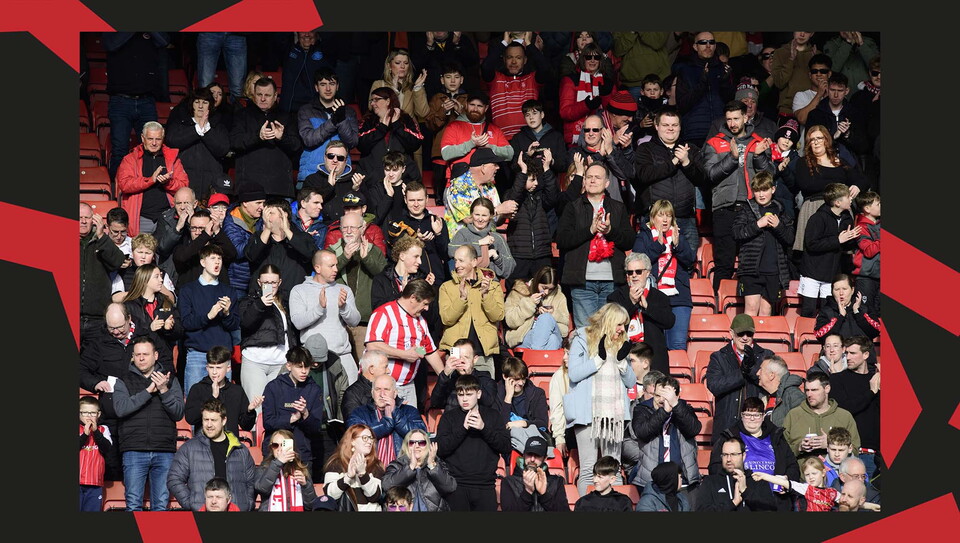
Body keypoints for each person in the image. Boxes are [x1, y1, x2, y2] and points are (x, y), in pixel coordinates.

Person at [701, 100, 775, 292]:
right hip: (724, 209)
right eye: (728, 119)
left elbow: (770, 176)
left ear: (745, 117)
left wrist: (759, 157)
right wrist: (732, 159)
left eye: (736, 118)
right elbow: (710, 174)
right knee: (724, 264)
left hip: (751, 209)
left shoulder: (758, 141)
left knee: (751, 265)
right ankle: (718, 308)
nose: (732, 123)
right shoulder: (714, 143)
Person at [565, 303, 637, 495]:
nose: (622, 329)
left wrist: (622, 362)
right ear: (609, 322)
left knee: (614, 469)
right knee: (589, 470)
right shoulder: (582, 338)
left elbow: (631, 382)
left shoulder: (622, 344)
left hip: (614, 417)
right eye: (619, 324)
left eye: (624, 325)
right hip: (588, 414)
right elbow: (574, 374)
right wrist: (598, 359)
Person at [557, 163, 634, 328]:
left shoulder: (618, 208)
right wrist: (590, 230)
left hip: (612, 282)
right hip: (582, 283)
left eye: (597, 177)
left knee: (609, 334)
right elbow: (562, 240)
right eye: (589, 177)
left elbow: (629, 240)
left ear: (606, 183)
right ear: (583, 181)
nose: (592, 180)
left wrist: (610, 231)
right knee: (586, 334)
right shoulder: (572, 207)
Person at [112, 336, 184, 511]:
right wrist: (148, 391)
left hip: (164, 451)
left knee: (160, 506)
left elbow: (178, 412)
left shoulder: (169, 380)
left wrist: (164, 391)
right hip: (133, 450)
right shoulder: (122, 381)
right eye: (137, 355)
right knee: (133, 504)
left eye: (145, 354)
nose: (141, 358)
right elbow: (121, 409)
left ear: (156, 355)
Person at [633, 108, 707, 253]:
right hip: (654, 219)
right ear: (657, 126)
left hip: (685, 219)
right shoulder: (645, 149)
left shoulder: (690, 149)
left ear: (680, 127)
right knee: (651, 266)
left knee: (687, 266)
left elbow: (702, 179)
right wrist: (673, 163)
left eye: (674, 125)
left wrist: (686, 162)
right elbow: (644, 175)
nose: (670, 129)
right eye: (666, 125)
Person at [435, 374, 511, 511]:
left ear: (479, 394)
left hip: (485, 486)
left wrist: (484, 428)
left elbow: (505, 446)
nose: (464, 399)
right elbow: (440, 449)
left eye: (469, 394)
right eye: (460, 394)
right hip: (456, 486)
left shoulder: (493, 416)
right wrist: (463, 429)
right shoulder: (448, 417)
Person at [708, 397, 799, 511]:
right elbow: (715, 467)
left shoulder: (776, 437)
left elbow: (793, 466)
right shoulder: (729, 437)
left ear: (762, 417)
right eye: (747, 414)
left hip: (774, 501)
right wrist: (735, 480)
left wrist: (785, 480)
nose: (751, 419)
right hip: (742, 501)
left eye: (756, 415)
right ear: (741, 416)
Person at [792, 125, 867, 261]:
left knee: (840, 255)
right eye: (812, 139)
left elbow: (863, 180)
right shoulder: (803, 162)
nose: (815, 142)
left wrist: (856, 186)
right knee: (814, 254)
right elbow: (807, 185)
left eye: (819, 138)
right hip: (814, 208)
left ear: (827, 140)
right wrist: (840, 189)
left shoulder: (839, 162)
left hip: (841, 210)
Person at [166, 398, 257, 511]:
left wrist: (247, 503)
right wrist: (191, 503)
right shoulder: (189, 448)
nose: (209, 424)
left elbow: (252, 481)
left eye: (213, 420)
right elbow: (174, 479)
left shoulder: (240, 450)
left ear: (224, 421)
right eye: (206, 420)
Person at [365, 279, 445, 407]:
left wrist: (444, 377)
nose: (427, 308)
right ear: (413, 298)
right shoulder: (384, 313)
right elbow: (372, 346)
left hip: (408, 386)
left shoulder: (420, 321)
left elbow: (427, 350)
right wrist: (404, 354)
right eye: (425, 303)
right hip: (383, 387)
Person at [102, 32, 169, 178]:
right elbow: (110, 44)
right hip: (120, 100)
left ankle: (149, 190)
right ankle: (119, 192)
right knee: (120, 150)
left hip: (147, 100)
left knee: (152, 149)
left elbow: (164, 41)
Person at [289, 250, 361, 383]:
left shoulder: (343, 289)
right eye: (331, 266)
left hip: (342, 356)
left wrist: (343, 307)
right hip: (314, 360)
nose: (336, 269)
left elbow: (355, 321)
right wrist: (319, 308)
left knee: (349, 401)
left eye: (336, 265)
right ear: (317, 268)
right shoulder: (299, 290)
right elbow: (298, 322)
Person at [629, 201, 691, 354]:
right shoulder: (644, 236)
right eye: (661, 215)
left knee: (677, 346)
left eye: (669, 216)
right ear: (652, 217)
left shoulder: (678, 235)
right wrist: (659, 245)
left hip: (678, 298)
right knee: (655, 347)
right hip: (653, 297)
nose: (665, 220)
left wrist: (677, 246)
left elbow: (689, 260)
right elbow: (637, 262)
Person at [178, 244, 240, 396]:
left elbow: (234, 325)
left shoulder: (229, 291)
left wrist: (226, 313)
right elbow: (186, 322)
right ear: (203, 262)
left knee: (222, 405)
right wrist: (208, 316)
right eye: (212, 258)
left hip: (222, 357)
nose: (217, 262)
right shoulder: (188, 290)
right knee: (195, 404)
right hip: (197, 355)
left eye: (219, 259)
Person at [732, 171, 796, 316]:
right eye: (757, 190)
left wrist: (779, 226)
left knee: (766, 311)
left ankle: (761, 339)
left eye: (765, 190)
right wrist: (757, 225)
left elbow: (790, 239)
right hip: (751, 270)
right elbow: (736, 233)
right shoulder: (746, 210)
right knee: (751, 309)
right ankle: (747, 338)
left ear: (773, 189)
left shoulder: (781, 211)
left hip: (773, 270)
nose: (761, 194)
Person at [235, 263, 298, 407]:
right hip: (255, 362)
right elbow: (246, 323)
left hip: (280, 363)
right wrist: (260, 304)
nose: (270, 286)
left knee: (277, 408)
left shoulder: (285, 303)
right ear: (259, 282)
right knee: (256, 408)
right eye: (266, 282)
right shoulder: (249, 301)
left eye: (274, 282)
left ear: (280, 282)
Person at [230, 76, 303, 199]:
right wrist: (258, 136)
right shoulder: (241, 116)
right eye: (259, 94)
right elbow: (234, 142)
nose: (263, 98)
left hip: (280, 189)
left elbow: (297, 147)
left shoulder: (287, 117)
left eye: (267, 95)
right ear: (253, 95)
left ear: (275, 96)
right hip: (249, 189)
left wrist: (282, 137)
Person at [438, 244, 505, 375]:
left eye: (461, 260)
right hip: (456, 354)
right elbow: (447, 319)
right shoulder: (447, 287)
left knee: (485, 393)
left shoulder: (493, 286)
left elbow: (498, 316)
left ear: (474, 262)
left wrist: (486, 296)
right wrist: (462, 299)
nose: (457, 265)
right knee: (455, 393)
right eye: (455, 260)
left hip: (482, 353)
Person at [705, 314, 774, 439]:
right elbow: (714, 386)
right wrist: (742, 372)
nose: (745, 338)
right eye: (740, 334)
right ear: (731, 333)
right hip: (727, 427)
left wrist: (751, 368)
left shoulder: (766, 356)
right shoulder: (718, 357)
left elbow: (772, 385)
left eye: (749, 333)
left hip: (756, 427)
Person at [116, 121, 190, 236]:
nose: (154, 143)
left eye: (158, 139)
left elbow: (184, 186)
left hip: (167, 217)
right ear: (142, 138)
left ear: (163, 138)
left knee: (168, 253)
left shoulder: (172, 158)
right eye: (150, 139)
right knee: (141, 253)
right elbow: (124, 184)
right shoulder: (130, 159)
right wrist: (150, 180)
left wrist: (168, 183)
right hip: (141, 219)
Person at [630, 375, 702, 493]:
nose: (661, 400)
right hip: (651, 482)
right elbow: (642, 432)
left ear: (677, 396)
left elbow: (693, 429)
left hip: (682, 481)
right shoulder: (642, 409)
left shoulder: (685, 409)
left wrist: (676, 406)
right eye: (657, 396)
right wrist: (664, 412)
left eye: (666, 397)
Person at [799, 184, 862, 318]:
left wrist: (852, 239)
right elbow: (812, 244)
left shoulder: (846, 218)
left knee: (828, 311)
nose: (851, 199)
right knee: (808, 310)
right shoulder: (818, 218)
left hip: (831, 274)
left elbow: (844, 246)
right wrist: (838, 240)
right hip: (812, 273)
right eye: (848, 197)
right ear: (838, 202)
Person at [261, 346, 326, 467]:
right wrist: (292, 418)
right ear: (289, 366)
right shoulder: (273, 387)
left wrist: (305, 414)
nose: (304, 371)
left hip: (302, 455)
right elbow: (268, 422)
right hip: (275, 454)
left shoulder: (314, 389)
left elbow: (316, 428)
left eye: (306, 367)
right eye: (299, 366)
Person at [328, 207, 389, 337]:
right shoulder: (332, 251)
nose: (349, 232)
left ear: (362, 228)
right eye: (345, 228)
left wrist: (367, 258)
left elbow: (383, 276)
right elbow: (324, 276)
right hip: (337, 320)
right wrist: (344, 257)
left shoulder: (373, 250)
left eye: (353, 228)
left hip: (365, 321)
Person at [502, 145, 560, 280]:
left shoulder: (540, 197)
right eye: (532, 179)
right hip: (519, 255)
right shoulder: (511, 195)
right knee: (517, 292)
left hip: (542, 254)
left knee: (545, 291)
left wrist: (546, 169)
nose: (536, 183)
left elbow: (553, 197)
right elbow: (514, 197)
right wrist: (523, 172)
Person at [244, 198, 316, 305]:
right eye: (265, 214)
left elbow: (311, 254)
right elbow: (251, 255)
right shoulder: (258, 237)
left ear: (284, 215)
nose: (266, 217)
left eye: (271, 213)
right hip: (263, 300)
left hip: (294, 301)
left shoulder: (302, 237)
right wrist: (267, 229)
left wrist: (287, 230)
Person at [164, 87, 231, 201]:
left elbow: (222, 149)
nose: (200, 106)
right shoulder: (181, 123)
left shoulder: (218, 126)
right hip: (185, 181)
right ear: (192, 104)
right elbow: (171, 141)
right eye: (197, 102)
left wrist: (205, 131)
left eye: (204, 102)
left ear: (210, 105)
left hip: (211, 182)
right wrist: (196, 130)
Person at [345, 374, 427, 466]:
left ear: (395, 393)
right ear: (372, 393)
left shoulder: (409, 411)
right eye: (377, 389)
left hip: (402, 469)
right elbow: (354, 435)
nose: (382, 394)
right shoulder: (360, 413)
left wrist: (396, 414)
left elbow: (421, 435)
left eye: (386, 389)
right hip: (369, 468)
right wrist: (387, 423)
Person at [480, 34, 553, 138]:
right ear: (504, 60)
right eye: (510, 57)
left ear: (525, 60)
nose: (513, 62)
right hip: (502, 141)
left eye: (518, 58)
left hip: (529, 140)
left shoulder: (531, 79)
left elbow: (545, 68)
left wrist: (529, 44)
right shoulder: (496, 79)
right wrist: (504, 42)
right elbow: (486, 67)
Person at [829, 336, 881, 481]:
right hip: (851, 453)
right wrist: (871, 392)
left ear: (865, 355)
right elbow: (845, 408)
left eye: (853, 353)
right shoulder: (837, 379)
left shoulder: (876, 379)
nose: (848, 357)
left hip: (876, 454)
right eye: (846, 353)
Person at [370, 235, 441, 340]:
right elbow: (378, 310)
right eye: (416, 257)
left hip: (416, 341)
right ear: (402, 256)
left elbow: (432, 319)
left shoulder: (423, 279)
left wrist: (427, 290)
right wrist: (403, 295)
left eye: (420, 257)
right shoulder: (382, 279)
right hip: (391, 339)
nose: (420, 262)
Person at [297, 67, 359, 183]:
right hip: (311, 173)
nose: (328, 88)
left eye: (332, 84)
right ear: (316, 87)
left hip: (341, 173)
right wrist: (334, 121)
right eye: (323, 84)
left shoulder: (349, 112)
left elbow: (352, 142)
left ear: (337, 86)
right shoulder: (306, 110)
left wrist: (341, 119)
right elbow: (309, 140)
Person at [782, 372, 861, 462]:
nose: (809, 394)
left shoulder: (844, 416)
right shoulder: (793, 415)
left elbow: (855, 451)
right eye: (807, 390)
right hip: (802, 474)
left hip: (836, 474)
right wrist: (799, 448)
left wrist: (830, 444)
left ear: (827, 389)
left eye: (814, 390)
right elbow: (781, 450)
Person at [674, 31, 734, 147]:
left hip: (721, 131)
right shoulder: (685, 70)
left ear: (715, 46)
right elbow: (682, 105)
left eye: (711, 42)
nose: (708, 45)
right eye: (703, 42)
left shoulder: (723, 69)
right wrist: (702, 84)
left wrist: (725, 83)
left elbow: (731, 102)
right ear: (695, 47)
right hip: (695, 132)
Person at [383, 180, 449, 284]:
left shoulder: (437, 221)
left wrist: (438, 234)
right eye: (412, 200)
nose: (416, 204)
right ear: (405, 200)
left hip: (436, 281)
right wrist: (415, 241)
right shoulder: (397, 224)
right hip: (408, 283)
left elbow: (445, 255)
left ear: (427, 199)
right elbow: (393, 255)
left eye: (420, 200)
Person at [184, 346, 261, 435]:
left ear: (228, 368)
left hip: (230, 445)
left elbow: (246, 426)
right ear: (207, 368)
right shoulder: (198, 389)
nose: (214, 372)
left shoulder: (236, 391)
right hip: (205, 446)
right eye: (211, 367)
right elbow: (191, 418)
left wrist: (249, 411)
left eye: (219, 367)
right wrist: (211, 398)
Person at [439, 90, 513, 181]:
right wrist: (472, 143)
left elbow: (510, 154)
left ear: (486, 108)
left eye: (479, 106)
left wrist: (488, 146)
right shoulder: (454, 126)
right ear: (466, 104)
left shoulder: (495, 129)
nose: (475, 109)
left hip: (487, 185)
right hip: (459, 183)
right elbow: (446, 154)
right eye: (472, 105)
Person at [443, 147, 516, 240]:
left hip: (489, 244)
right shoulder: (458, 186)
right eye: (494, 164)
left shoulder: (490, 187)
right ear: (483, 167)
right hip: (466, 247)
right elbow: (469, 219)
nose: (498, 167)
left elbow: (495, 221)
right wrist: (498, 210)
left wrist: (503, 215)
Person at [81, 202, 128, 341]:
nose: (83, 221)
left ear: (94, 220)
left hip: (97, 319)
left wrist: (102, 236)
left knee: (96, 361)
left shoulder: (102, 242)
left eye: (87, 218)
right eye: (80, 217)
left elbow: (117, 261)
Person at [695, 435, 778, 511]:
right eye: (725, 455)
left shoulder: (758, 480)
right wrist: (733, 503)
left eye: (733, 454)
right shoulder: (711, 482)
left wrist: (745, 491)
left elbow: (769, 510)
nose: (728, 459)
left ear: (744, 455)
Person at [381, 428, 456, 511]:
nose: (416, 446)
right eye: (412, 443)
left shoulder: (437, 463)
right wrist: (410, 467)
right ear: (406, 445)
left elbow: (450, 487)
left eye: (422, 443)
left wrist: (432, 466)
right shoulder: (397, 465)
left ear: (427, 445)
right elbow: (386, 486)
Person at [357, 86, 424, 179]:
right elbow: (361, 144)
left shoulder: (405, 119)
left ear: (388, 101)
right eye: (371, 101)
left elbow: (416, 142)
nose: (372, 103)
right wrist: (382, 128)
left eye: (376, 100)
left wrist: (397, 125)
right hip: (372, 179)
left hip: (402, 178)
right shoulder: (368, 120)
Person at [566, 115, 634, 204]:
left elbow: (626, 174)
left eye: (595, 130)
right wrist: (600, 155)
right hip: (585, 207)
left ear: (603, 132)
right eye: (587, 130)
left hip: (612, 207)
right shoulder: (575, 153)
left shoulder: (613, 151)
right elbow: (576, 179)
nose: (590, 133)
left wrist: (609, 150)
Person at [120, 264, 182, 361]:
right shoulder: (129, 306)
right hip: (139, 359)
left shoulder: (165, 302)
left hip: (163, 358)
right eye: (156, 277)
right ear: (145, 280)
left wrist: (169, 329)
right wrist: (150, 328)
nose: (161, 280)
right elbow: (124, 335)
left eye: (161, 276)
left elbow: (180, 331)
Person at [558, 42, 615, 147]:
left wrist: (605, 95)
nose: (592, 60)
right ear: (583, 59)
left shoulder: (607, 82)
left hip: (603, 139)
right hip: (576, 141)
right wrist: (586, 106)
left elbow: (614, 115)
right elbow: (564, 112)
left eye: (596, 57)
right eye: (589, 57)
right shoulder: (570, 80)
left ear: (600, 60)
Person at [504, 266, 570, 351]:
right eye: (544, 287)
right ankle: (540, 356)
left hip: (550, 335)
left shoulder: (558, 296)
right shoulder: (518, 292)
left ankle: (536, 353)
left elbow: (564, 330)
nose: (546, 292)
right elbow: (511, 321)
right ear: (536, 282)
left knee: (546, 318)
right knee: (552, 340)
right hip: (525, 336)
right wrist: (529, 304)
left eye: (551, 289)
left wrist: (553, 314)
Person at [448, 196, 516, 279]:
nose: (480, 219)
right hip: (466, 285)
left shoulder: (497, 238)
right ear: (471, 214)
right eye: (477, 214)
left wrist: (496, 256)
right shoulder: (463, 234)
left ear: (490, 216)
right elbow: (451, 251)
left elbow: (509, 269)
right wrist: (479, 244)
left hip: (491, 286)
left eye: (484, 215)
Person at [805, 73, 869, 160]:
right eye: (832, 90)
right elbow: (809, 145)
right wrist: (834, 137)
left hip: (848, 165)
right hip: (821, 163)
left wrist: (848, 135)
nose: (835, 95)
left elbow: (864, 147)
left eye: (840, 91)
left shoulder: (855, 114)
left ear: (846, 91)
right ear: (827, 89)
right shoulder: (815, 115)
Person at [322, 424, 385, 511]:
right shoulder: (336, 464)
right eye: (365, 438)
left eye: (371, 438)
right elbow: (330, 495)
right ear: (352, 441)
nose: (370, 442)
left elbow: (375, 497)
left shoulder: (376, 465)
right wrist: (347, 477)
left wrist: (363, 474)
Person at [172, 207, 238, 289]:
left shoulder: (218, 246)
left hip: (217, 295)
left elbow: (232, 254)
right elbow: (182, 257)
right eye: (193, 228)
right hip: (191, 297)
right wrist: (205, 235)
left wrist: (217, 230)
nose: (197, 232)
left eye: (202, 228)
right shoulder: (184, 246)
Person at [255, 429, 320, 511]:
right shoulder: (264, 467)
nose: (279, 449)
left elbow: (311, 505)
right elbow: (262, 489)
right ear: (271, 448)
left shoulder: (301, 469)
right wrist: (278, 463)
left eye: (283, 445)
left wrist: (305, 485)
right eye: (275, 445)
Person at [499, 435, 569, 511]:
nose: (532, 459)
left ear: (545, 458)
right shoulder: (509, 482)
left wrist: (544, 495)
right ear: (523, 455)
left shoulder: (556, 482)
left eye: (537, 455)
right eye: (529, 454)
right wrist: (527, 492)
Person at [429, 338, 499, 412]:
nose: (461, 361)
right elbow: (435, 403)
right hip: (453, 421)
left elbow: (488, 402)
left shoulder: (485, 378)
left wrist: (470, 376)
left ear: (475, 359)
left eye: (466, 357)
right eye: (458, 357)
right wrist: (445, 374)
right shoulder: (449, 380)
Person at [497, 357, 550, 454]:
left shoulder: (537, 394)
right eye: (516, 379)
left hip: (531, 439)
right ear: (505, 377)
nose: (521, 383)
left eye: (523, 378)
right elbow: (500, 427)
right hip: (508, 442)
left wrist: (524, 423)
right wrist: (508, 397)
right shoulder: (496, 394)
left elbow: (543, 424)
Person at [751, 457, 840, 512]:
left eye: (814, 473)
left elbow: (848, 502)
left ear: (823, 473)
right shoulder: (805, 488)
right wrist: (763, 476)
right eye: (807, 475)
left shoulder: (832, 492)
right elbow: (782, 482)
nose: (811, 477)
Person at [509, 99, 568, 181]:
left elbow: (564, 166)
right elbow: (513, 168)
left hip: (550, 187)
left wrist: (552, 161)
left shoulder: (556, 136)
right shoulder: (518, 138)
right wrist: (527, 155)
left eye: (534, 113)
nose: (531, 117)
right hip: (527, 188)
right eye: (527, 115)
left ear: (542, 114)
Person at [224, 188, 266, 300]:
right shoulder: (231, 222)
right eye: (258, 203)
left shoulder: (262, 220)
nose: (262, 207)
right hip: (238, 282)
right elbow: (237, 251)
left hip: (259, 280)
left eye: (263, 203)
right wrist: (262, 235)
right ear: (245, 203)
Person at [280, 31, 334, 114]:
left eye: (311, 31)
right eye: (303, 31)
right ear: (297, 33)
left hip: (316, 110)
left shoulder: (325, 50)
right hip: (290, 109)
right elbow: (280, 36)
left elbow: (330, 37)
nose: (307, 34)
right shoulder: (289, 50)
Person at [301, 141, 355, 224]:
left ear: (345, 161)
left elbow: (368, 209)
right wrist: (329, 187)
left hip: (347, 229)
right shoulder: (312, 180)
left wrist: (356, 190)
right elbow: (306, 207)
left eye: (340, 158)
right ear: (325, 158)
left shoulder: (354, 180)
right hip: (320, 228)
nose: (335, 160)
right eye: (331, 156)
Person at [770, 31, 819, 120]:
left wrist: (814, 63)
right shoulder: (780, 52)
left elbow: (822, 83)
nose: (802, 34)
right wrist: (791, 59)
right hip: (787, 110)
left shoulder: (816, 54)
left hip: (812, 108)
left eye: (807, 31)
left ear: (812, 33)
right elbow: (779, 83)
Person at [79, 396, 115, 511]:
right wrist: (85, 434)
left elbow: (107, 448)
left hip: (95, 482)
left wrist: (95, 432)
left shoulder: (104, 429)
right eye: (85, 412)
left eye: (93, 413)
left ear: (98, 414)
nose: (89, 416)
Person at [612, 32, 672, 100]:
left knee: (661, 110)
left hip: (658, 80)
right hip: (633, 82)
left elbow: (658, 41)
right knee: (635, 110)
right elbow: (617, 50)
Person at [852, 190, 881, 316]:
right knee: (865, 312)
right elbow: (869, 251)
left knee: (878, 313)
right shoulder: (861, 227)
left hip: (881, 276)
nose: (881, 207)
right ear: (867, 208)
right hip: (866, 277)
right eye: (878, 204)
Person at [195, 33, 247, 102]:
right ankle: (205, 112)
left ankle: (237, 112)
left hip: (236, 32)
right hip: (209, 31)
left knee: (238, 88)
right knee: (205, 85)